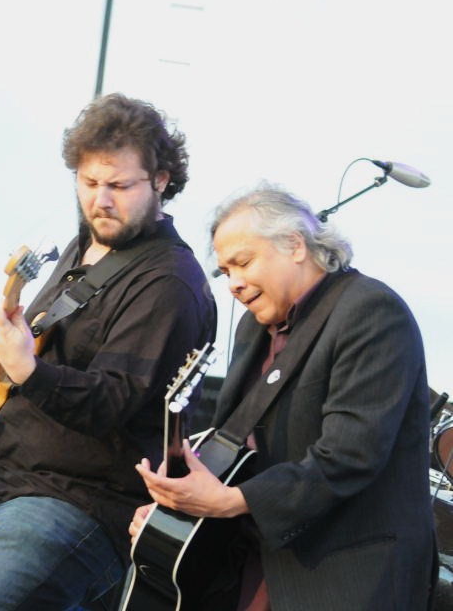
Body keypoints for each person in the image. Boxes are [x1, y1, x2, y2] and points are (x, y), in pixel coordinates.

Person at [0, 92, 217, 611]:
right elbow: (49, 351)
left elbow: (112, 401)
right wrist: (4, 359)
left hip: (70, 504)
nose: (100, 200)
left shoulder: (170, 281)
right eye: (88, 183)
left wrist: (27, 369)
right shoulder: (82, 245)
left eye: (119, 186)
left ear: (160, 180)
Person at [131, 185, 437, 610]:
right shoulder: (252, 328)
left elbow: (350, 455)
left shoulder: (370, 310)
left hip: (343, 573)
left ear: (295, 245)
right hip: (253, 562)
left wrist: (231, 501)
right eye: (225, 272)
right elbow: (235, 447)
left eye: (243, 263)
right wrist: (176, 510)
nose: (234, 284)